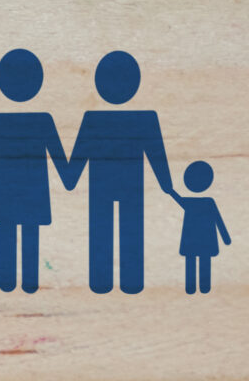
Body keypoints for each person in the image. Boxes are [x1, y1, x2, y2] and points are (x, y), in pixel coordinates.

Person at [0, 49, 78, 293]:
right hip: (30, 189)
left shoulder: (2, 120)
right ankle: (27, 282)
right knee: (26, 234)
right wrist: (69, 177)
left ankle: (9, 281)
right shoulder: (39, 120)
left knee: (10, 234)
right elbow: (57, 155)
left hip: (7, 190)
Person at [66, 50, 175, 293]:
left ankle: (101, 281)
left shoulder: (94, 119)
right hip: (129, 186)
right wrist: (166, 184)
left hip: (104, 186)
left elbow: (79, 155)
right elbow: (156, 154)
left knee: (104, 230)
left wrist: (70, 177)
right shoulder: (142, 119)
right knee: (128, 230)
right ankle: (131, 281)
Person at [170, 160, 231, 294]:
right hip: (203, 239)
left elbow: (217, 219)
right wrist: (225, 238)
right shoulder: (207, 202)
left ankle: (196, 287)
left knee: (193, 261)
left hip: (193, 238)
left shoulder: (198, 202)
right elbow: (218, 220)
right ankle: (200, 287)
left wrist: (171, 191)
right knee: (201, 261)